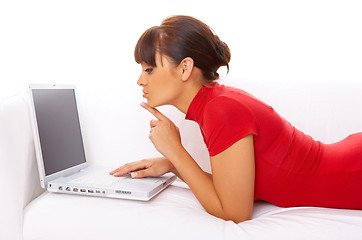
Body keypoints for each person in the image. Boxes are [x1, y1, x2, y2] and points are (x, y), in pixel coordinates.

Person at [109, 15, 362, 223]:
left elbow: (234, 213)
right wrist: (173, 165)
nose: (140, 80)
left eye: (148, 69)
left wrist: (176, 152)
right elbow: (231, 193)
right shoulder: (215, 104)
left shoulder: (221, 110)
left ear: (185, 68)